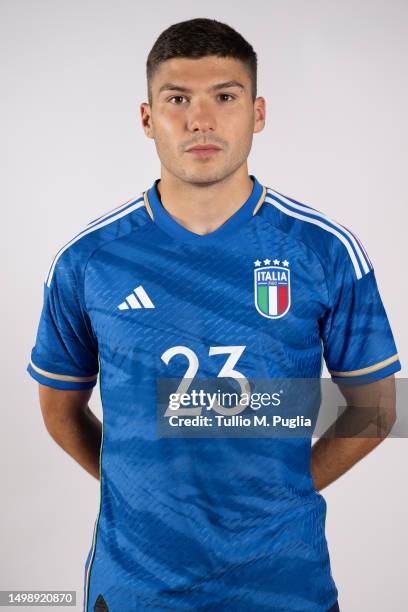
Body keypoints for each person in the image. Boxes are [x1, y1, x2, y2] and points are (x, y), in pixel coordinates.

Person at [27, 17, 400, 612]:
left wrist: (286, 486)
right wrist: (138, 491)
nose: (200, 120)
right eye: (177, 99)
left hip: (285, 588)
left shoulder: (323, 251)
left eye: (224, 97)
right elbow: (58, 407)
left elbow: (379, 406)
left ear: (257, 112)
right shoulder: (88, 261)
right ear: (148, 118)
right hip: (135, 590)